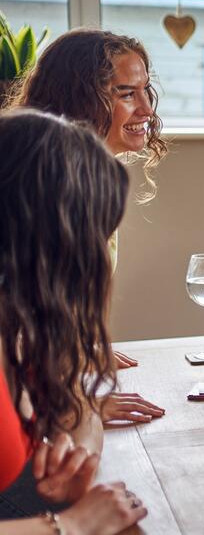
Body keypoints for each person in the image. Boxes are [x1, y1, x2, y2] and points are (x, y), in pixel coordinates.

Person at [0, 109, 148, 535]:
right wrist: (67, 530)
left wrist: (74, 451)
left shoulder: (18, 325)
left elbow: (79, 399)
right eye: (92, 234)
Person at [7, 28, 167, 422]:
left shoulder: (90, 180)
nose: (146, 109)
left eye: (146, 90)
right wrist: (76, 403)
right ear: (79, 98)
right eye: (126, 93)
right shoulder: (47, 190)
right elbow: (19, 325)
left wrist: (77, 349)